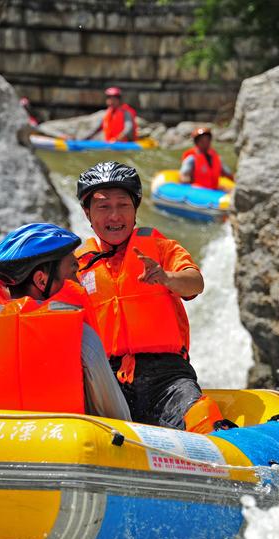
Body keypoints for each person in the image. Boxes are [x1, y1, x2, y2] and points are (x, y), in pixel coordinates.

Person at [73, 161, 230, 433]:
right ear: (88, 213)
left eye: (123, 205)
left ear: (135, 210)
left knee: (202, 416)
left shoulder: (160, 247)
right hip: (106, 379)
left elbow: (195, 283)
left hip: (167, 377)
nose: (114, 216)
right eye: (103, 206)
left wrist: (167, 278)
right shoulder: (77, 265)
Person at [0, 223, 131, 422]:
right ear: (42, 280)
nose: (79, 283)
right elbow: (117, 419)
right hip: (61, 450)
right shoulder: (82, 339)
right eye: (72, 271)